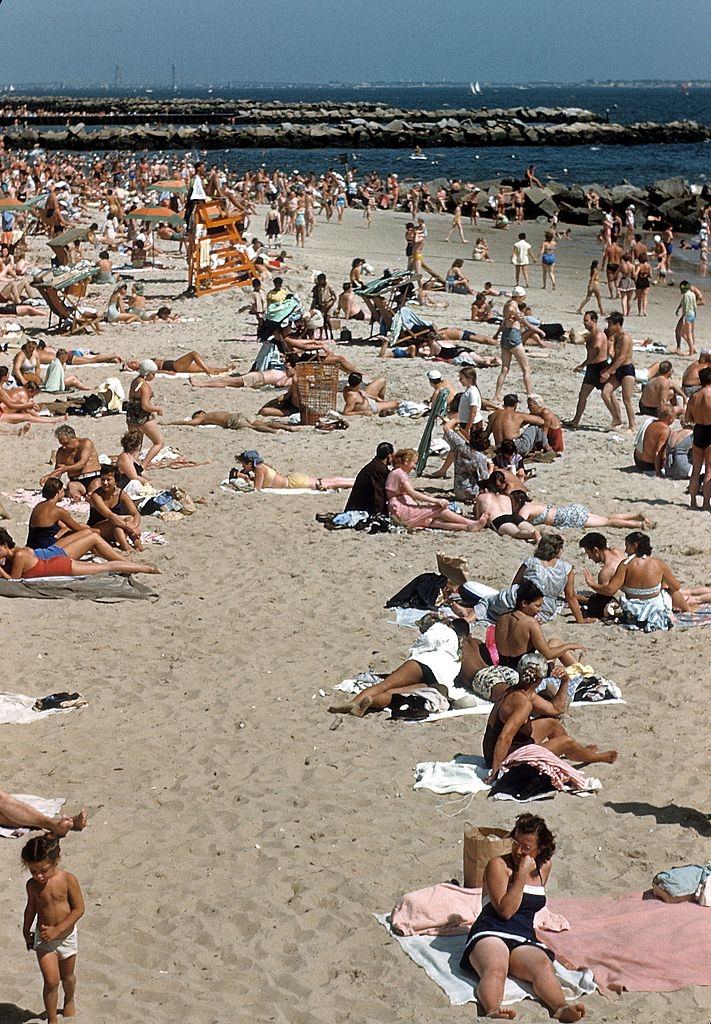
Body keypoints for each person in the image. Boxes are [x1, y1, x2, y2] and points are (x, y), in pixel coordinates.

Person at [460, 812, 587, 1023]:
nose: (519, 851)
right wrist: (520, 875)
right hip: (491, 930)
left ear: (540, 850)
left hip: (523, 936)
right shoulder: (498, 865)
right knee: (496, 967)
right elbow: (505, 911)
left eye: (526, 847)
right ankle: (492, 1010)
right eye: (515, 843)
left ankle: (561, 1008)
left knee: (543, 967)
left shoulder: (543, 867)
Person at [458, 584, 589, 681]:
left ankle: (578, 667)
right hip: (526, 672)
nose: (540, 610)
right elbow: (548, 654)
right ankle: (580, 670)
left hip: (505, 667)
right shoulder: (530, 623)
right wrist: (569, 646)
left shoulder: (502, 618)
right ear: (524, 603)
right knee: (556, 643)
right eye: (537, 606)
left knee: (554, 645)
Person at [22, 834, 84, 1024]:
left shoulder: (67, 880)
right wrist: (27, 931)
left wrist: (58, 931)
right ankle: (51, 1019)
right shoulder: (32, 886)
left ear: (55, 860)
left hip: (65, 937)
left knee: (68, 977)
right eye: (33, 871)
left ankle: (69, 999)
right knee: (51, 982)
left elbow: (79, 909)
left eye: (43, 870)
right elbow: (31, 908)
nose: (38, 876)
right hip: (44, 938)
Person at [583, 531, 684, 630]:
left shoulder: (625, 565)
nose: (626, 551)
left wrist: (592, 584)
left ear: (635, 546)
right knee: (668, 590)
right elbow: (676, 586)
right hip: (656, 607)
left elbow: (610, 590)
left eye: (627, 546)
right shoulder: (658, 563)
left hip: (634, 610)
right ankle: (688, 609)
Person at [386, 448, 489, 532]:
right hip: (401, 509)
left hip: (400, 508)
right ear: (406, 461)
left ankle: (466, 527)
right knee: (439, 509)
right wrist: (435, 500)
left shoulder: (398, 473)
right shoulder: (399, 473)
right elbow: (413, 494)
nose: (414, 466)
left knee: (433, 521)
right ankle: (470, 523)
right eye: (414, 463)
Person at [0, 526, 159, 579]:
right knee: (105, 567)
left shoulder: (19, 555)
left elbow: (14, 582)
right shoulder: (15, 555)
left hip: (59, 566)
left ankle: (147, 569)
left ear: (4, 544)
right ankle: (143, 567)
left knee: (106, 567)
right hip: (55, 563)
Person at [564, 311, 610, 429]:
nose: (584, 323)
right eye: (584, 320)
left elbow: (596, 350)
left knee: (608, 395)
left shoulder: (599, 335)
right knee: (582, 395)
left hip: (600, 367)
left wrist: (582, 365)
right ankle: (576, 420)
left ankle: (618, 419)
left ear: (594, 321)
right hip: (592, 368)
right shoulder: (590, 334)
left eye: (586, 320)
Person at [519, 495, 652, 531]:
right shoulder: (532, 503)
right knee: (606, 518)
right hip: (570, 511)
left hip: (568, 518)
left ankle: (638, 525)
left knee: (607, 522)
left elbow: (519, 523)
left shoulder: (525, 509)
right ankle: (636, 516)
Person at [87, 465, 143, 551]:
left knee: (125, 521)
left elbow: (135, 513)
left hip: (117, 527)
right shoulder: (96, 496)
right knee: (116, 522)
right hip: (98, 528)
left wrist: (134, 525)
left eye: (108, 480)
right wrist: (130, 529)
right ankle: (127, 547)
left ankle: (137, 545)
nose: (105, 483)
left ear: (116, 481)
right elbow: (109, 515)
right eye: (103, 480)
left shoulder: (121, 494)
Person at [234, 451, 353, 491]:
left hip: (292, 483)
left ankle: (355, 483)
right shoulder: (262, 467)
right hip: (292, 479)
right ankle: (354, 481)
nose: (243, 467)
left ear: (250, 463)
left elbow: (257, 488)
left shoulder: (259, 470)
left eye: (244, 464)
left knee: (326, 484)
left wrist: (243, 477)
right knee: (327, 481)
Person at [40, 425, 102, 498]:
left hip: (93, 477)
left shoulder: (85, 443)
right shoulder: (61, 452)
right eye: (62, 444)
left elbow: (82, 463)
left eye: (65, 443)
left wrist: (66, 468)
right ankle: (77, 498)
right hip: (76, 481)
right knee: (71, 487)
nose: (64, 447)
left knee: (96, 485)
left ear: (73, 438)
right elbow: (58, 472)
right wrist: (48, 478)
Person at [475, 473, 540, 543]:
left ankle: (531, 535)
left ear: (485, 489)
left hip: (499, 520)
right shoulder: (505, 497)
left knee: (516, 533)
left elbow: (478, 518)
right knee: (531, 528)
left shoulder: (481, 498)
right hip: (514, 516)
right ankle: (537, 535)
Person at [493, 295, 533, 403]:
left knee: (504, 369)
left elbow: (504, 322)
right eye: (523, 297)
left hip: (505, 335)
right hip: (513, 335)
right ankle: (529, 394)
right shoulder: (513, 305)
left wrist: (496, 334)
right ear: (519, 297)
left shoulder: (507, 304)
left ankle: (496, 395)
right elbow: (511, 310)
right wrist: (516, 314)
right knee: (526, 368)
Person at [600, 312, 635, 433]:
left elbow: (622, 358)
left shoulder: (625, 337)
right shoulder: (616, 337)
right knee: (605, 393)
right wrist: (608, 367)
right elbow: (615, 357)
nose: (609, 327)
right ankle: (617, 419)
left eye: (610, 324)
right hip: (618, 369)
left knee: (627, 400)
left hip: (627, 370)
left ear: (618, 324)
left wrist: (608, 372)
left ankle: (631, 426)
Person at [125, 360, 164, 469]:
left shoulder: (135, 381)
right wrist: (158, 409)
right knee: (159, 442)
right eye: (153, 374)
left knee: (136, 444)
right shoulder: (145, 386)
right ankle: (143, 465)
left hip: (131, 415)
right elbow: (145, 406)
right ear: (147, 373)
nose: (154, 376)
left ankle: (133, 465)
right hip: (143, 417)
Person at [577, 533, 625, 618]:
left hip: (630, 597)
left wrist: (592, 584)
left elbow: (605, 595)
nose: (589, 557)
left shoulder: (606, 572)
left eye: (588, 553)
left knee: (595, 604)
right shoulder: (616, 551)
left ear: (595, 551)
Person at [344, 442, 393, 515]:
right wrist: (379, 514)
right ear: (389, 455)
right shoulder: (379, 469)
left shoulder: (374, 465)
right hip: (361, 508)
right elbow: (378, 493)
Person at [686, 366, 711, 511]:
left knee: (696, 469)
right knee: (709, 470)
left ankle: (693, 501)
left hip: (699, 429)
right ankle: (706, 503)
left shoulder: (694, 396)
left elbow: (687, 417)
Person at [167, 409, 301, 433]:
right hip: (239, 414)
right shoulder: (213, 413)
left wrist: (171, 423)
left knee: (254, 428)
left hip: (233, 420)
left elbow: (189, 423)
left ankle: (275, 432)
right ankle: (288, 428)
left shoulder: (202, 417)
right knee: (261, 423)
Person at [634, 406, 675, 473]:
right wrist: (657, 472)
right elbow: (658, 452)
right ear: (670, 417)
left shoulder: (650, 421)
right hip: (647, 464)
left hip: (637, 459)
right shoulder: (665, 430)